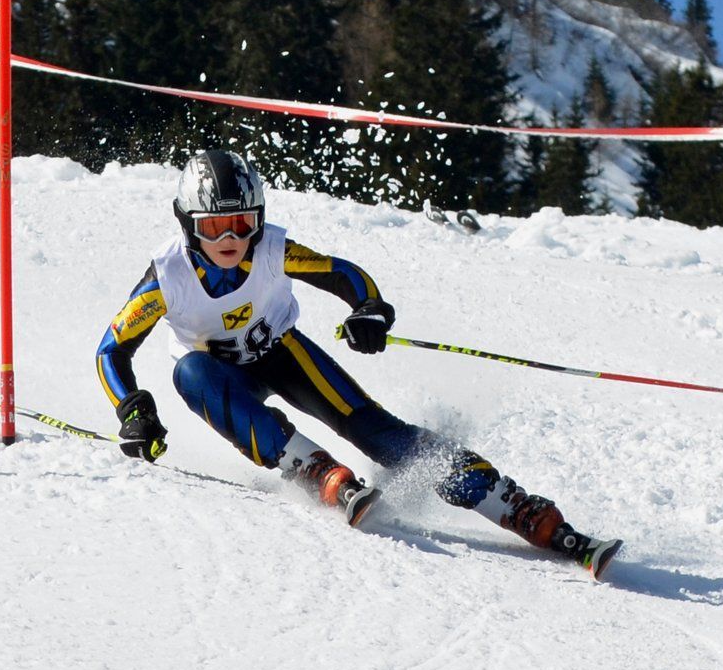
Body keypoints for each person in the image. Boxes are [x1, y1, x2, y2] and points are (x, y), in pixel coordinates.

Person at [94, 149, 620, 579]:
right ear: (188, 226)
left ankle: (515, 506)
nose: (230, 240)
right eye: (215, 227)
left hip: (282, 354)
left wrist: (368, 309)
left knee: (378, 432)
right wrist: (132, 409)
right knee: (189, 372)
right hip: (219, 380)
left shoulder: (272, 249)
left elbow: (342, 272)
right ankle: (312, 467)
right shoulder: (167, 276)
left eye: (242, 223)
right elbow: (111, 350)